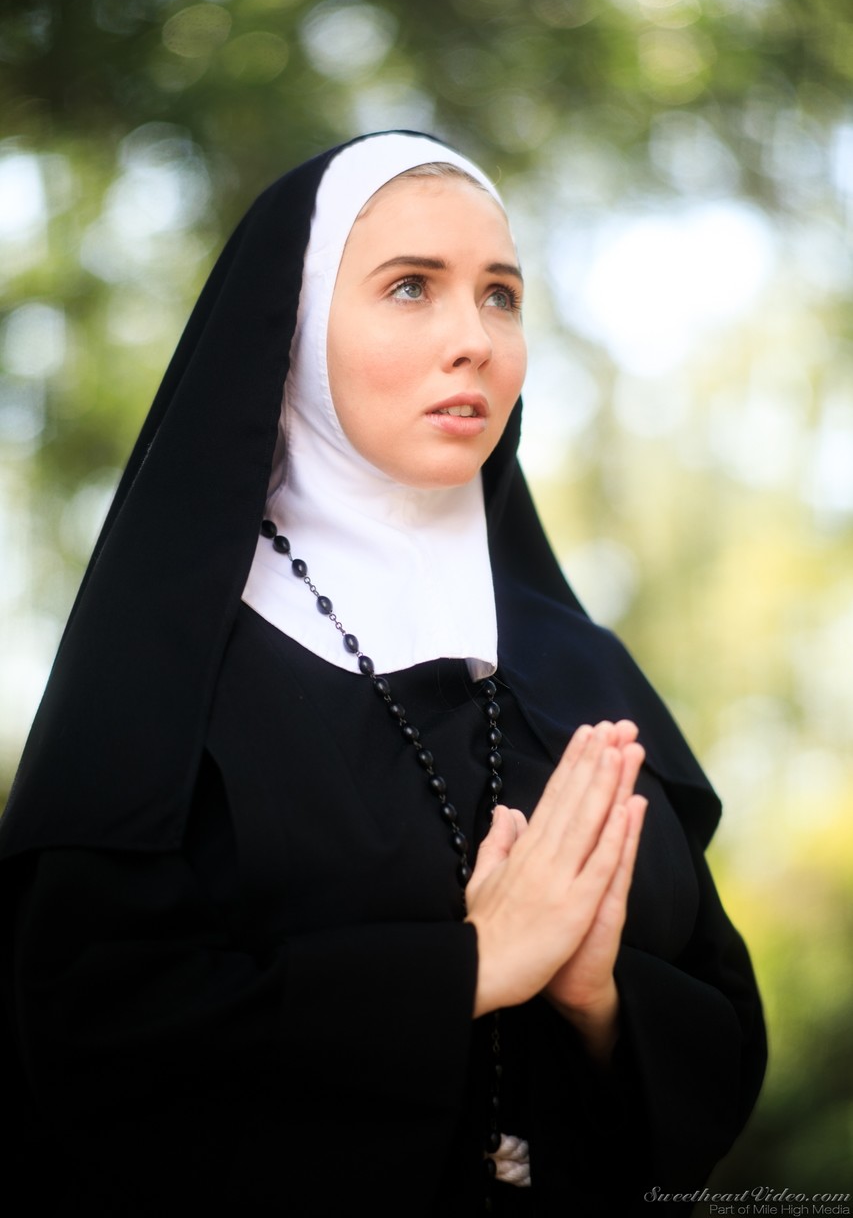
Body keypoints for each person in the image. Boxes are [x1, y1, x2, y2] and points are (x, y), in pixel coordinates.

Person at [0, 132, 765, 1216]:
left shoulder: (582, 671)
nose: (474, 340)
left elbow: (724, 1032)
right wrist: (467, 968)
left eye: (501, 295)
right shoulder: (172, 675)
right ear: (298, 332)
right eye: (411, 287)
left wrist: (599, 1000)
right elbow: (92, 1044)